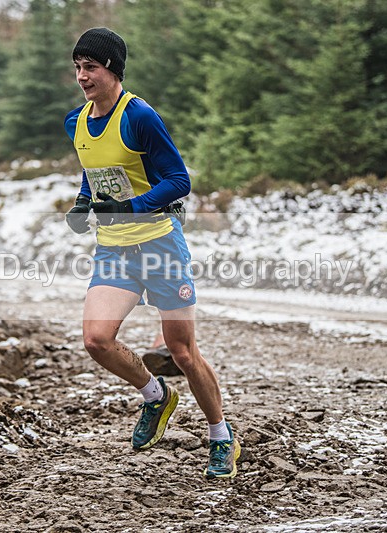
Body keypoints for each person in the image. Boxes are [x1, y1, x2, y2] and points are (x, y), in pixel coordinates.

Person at [62, 27, 240, 479]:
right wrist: (83, 203)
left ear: (113, 70)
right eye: (78, 67)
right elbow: (94, 170)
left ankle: (221, 436)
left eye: (91, 67)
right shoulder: (75, 122)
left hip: (160, 246)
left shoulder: (139, 116)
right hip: (114, 250)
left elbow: (179, 180)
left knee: (182, 352)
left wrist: (131, 207)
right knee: (96, 340)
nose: (82, 76)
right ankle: (156, 396)